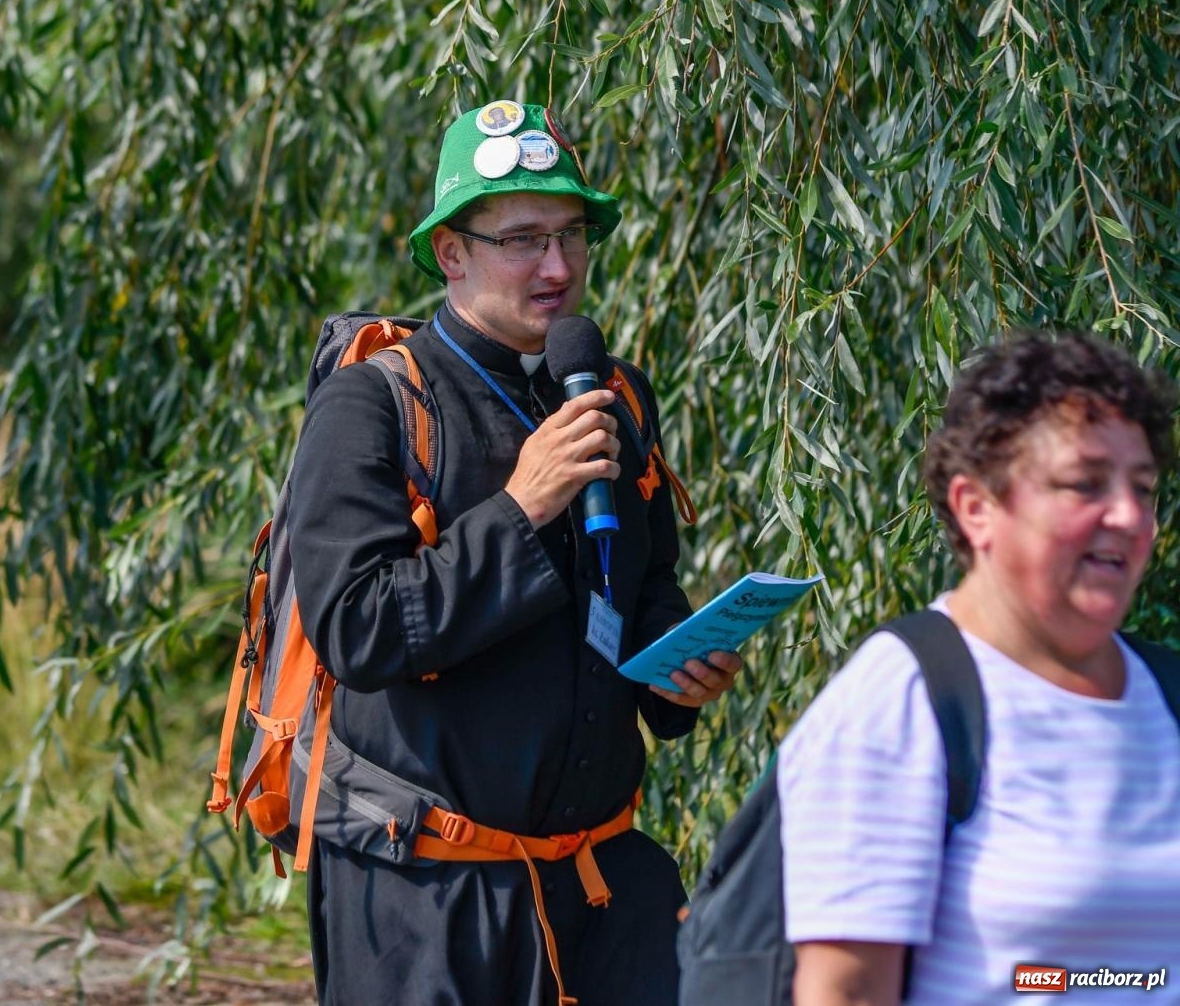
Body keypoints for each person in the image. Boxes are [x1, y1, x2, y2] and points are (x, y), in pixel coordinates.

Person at [285, 99, 742, 1006]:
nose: (560, 267)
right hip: (425, 899)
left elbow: (641, 583)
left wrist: (678, 660)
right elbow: (357, 631)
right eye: (524, 239)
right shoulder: (371, 406)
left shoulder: (614, 392)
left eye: (573, 235)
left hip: (604, 886)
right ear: (451, 254)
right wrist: (521, 508)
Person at [779, 331, 1180, 1004]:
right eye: (1085, 483)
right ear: (977, 508)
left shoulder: (1164, 694)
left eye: (1143, 488)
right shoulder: (904, 703)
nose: (1129, 515)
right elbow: (844, 992)